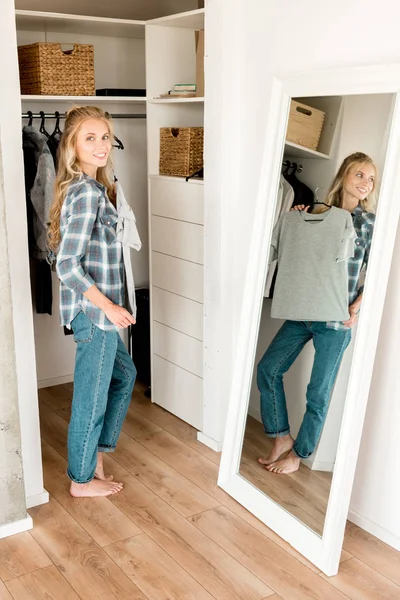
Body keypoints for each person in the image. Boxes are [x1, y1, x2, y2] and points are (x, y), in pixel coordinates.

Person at [257, 152, 377, 475]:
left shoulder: (368, 224)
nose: (365, 183)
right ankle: (281, 437)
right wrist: (298, 220)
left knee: (318, 393)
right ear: (344, 175)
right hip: (304, 310)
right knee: (268, 369)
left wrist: (356, 306)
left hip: (337, 321)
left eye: (371, 179)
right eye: (359, 175)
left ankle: (299, 454)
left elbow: (377, 272)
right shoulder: (318, 210)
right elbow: (299, 253)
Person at [48, 106, 137, 497]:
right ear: (72, 145)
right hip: (95, 313)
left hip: (99, 312)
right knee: (92, 397)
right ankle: (80, 480)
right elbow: (66, 265)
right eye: (90, 138)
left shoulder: (97, 187)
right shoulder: (85, 192)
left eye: (105, 137)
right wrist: (109, 306)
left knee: (125, 375)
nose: (101, 145)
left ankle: (95, 456)